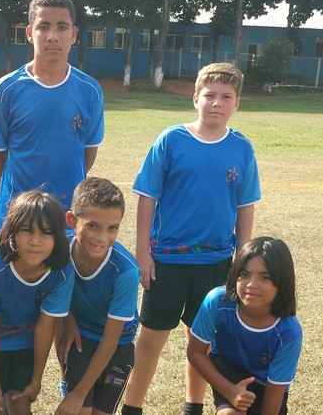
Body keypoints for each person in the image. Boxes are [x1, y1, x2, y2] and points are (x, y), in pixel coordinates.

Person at [122, 62, 261, 415]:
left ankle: (193, 407)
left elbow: (245, 207)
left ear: (236, 104)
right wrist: (143, 252)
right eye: (209, 95)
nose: (216, 103)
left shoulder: (241, 148)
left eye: (225, 97)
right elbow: (147, 197)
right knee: (151, 338)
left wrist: (242, 260)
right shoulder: (171, 140)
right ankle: (132, 407)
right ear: (194, 98)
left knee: (202, 343)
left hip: (216, 263)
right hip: (166, 261)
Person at [0, 0, 105, 233]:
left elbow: (87, 152)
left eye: (62, 27)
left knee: (63, 272)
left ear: (73, 35)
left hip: (67, 218)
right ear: (30, 33)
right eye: (43, 27)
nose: (52, 36)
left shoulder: (90, 90)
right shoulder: (7, 89)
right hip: (17, 214)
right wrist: (19, 199)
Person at [0, 190, 74, 415]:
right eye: (27, 230)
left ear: (58, 236)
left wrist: (37, 379)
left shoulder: (62, 272)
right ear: (11, 231)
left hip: (27, 345)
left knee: (20, 404)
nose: (35, 241)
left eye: (46, 233)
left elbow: (45, 327)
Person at [187, 237, 303, 415]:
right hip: (227, 371)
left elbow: (274, 391)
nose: (251, 285)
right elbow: (195, 352)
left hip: (267, 388)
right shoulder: (218, 301)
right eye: (244, 274)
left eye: (265, 277)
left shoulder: (289, 332)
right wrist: (229, 391)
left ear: (282, 282)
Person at [55, 177, 140, 415]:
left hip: (117, 345)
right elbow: (53, 295)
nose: (102, 238)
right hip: (81, 337)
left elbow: (111, 340)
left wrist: (79, 393)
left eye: (112, 228)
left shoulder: (126, 271)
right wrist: (69, 319)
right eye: (93, 226)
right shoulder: (59, 252)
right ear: (72, 220)